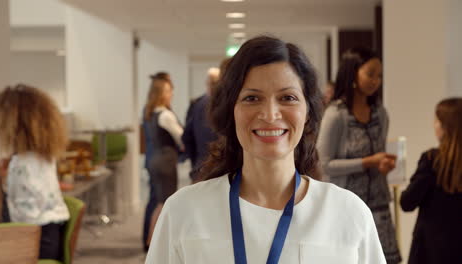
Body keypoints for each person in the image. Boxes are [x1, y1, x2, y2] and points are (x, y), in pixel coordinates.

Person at [145, 36, 386, 263]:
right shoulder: (184, 211)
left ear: (308, 112)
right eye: (252, 98)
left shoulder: (347, 212)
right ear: (231, 111)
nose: (270, 115)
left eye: (287, 98)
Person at [316, 47, 401, 263]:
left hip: (379, 204)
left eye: (379, 75)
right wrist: (367, 162)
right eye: (370, 73)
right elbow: (324, 164)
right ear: (353, 72)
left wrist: (382, 164)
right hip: (346, 204)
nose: (376, 80)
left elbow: (378, 153)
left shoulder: (380, 113)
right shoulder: (336, 114)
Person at [0, 84, 70, 260]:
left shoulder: (20, 164)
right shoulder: (42, 157)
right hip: (52, 234)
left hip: (35, 241)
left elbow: (17, 216)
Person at [400, 98, 462, 264]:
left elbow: (407, 202)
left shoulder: (432, 160)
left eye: (436, 121)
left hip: (430, 250)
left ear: (444, 126)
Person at [143, 75, 184, 249]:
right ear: (160, 93)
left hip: (154, 160)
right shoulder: (166, 115)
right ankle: (154, 243)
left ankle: (151, 241)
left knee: (158, 201)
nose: (171, 94)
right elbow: (181, 138)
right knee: (164, 204)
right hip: (166, 162)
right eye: (168, 91)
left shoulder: (149, 112)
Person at [182, 67, 219, 182]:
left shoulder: (197, 104)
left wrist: (194, 161)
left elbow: (187, 136)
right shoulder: (227, 104)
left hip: (200, 166)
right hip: (222, 168)